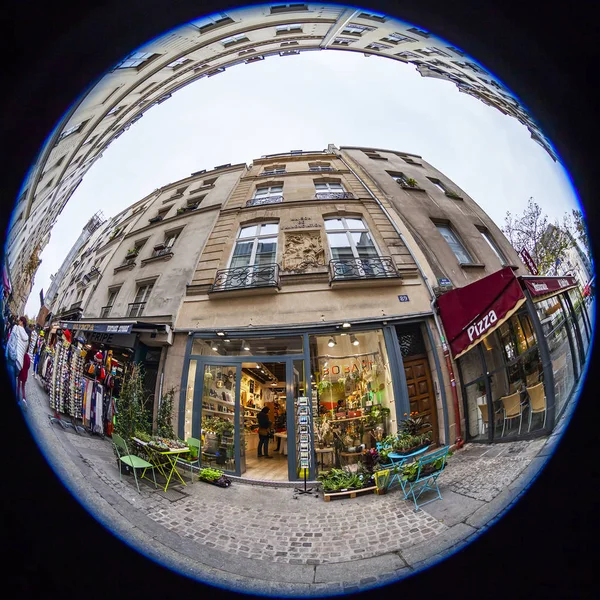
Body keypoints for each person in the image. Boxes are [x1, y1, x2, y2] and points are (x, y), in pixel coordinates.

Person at [5, 316, 30, 405]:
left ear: (21, 322)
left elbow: (10, 341)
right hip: (20, 364)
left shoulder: (16, 328)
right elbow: (24, 352)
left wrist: (7, 354)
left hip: (13, 358)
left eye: (19, 320)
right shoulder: (27, 338)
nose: (18, 321)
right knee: (13, 380)